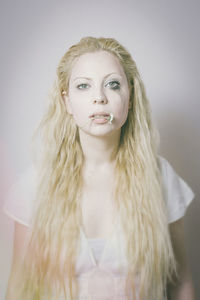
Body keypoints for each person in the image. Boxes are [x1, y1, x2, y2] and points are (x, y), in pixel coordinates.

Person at [4, 37, 196, 300]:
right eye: (83, 86)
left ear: (130, 96)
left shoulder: (160, 178)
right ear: (67, 102)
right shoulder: (35, 185)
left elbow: (181, 284)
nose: (99, 98)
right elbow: (18, 289)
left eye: (112, 84)